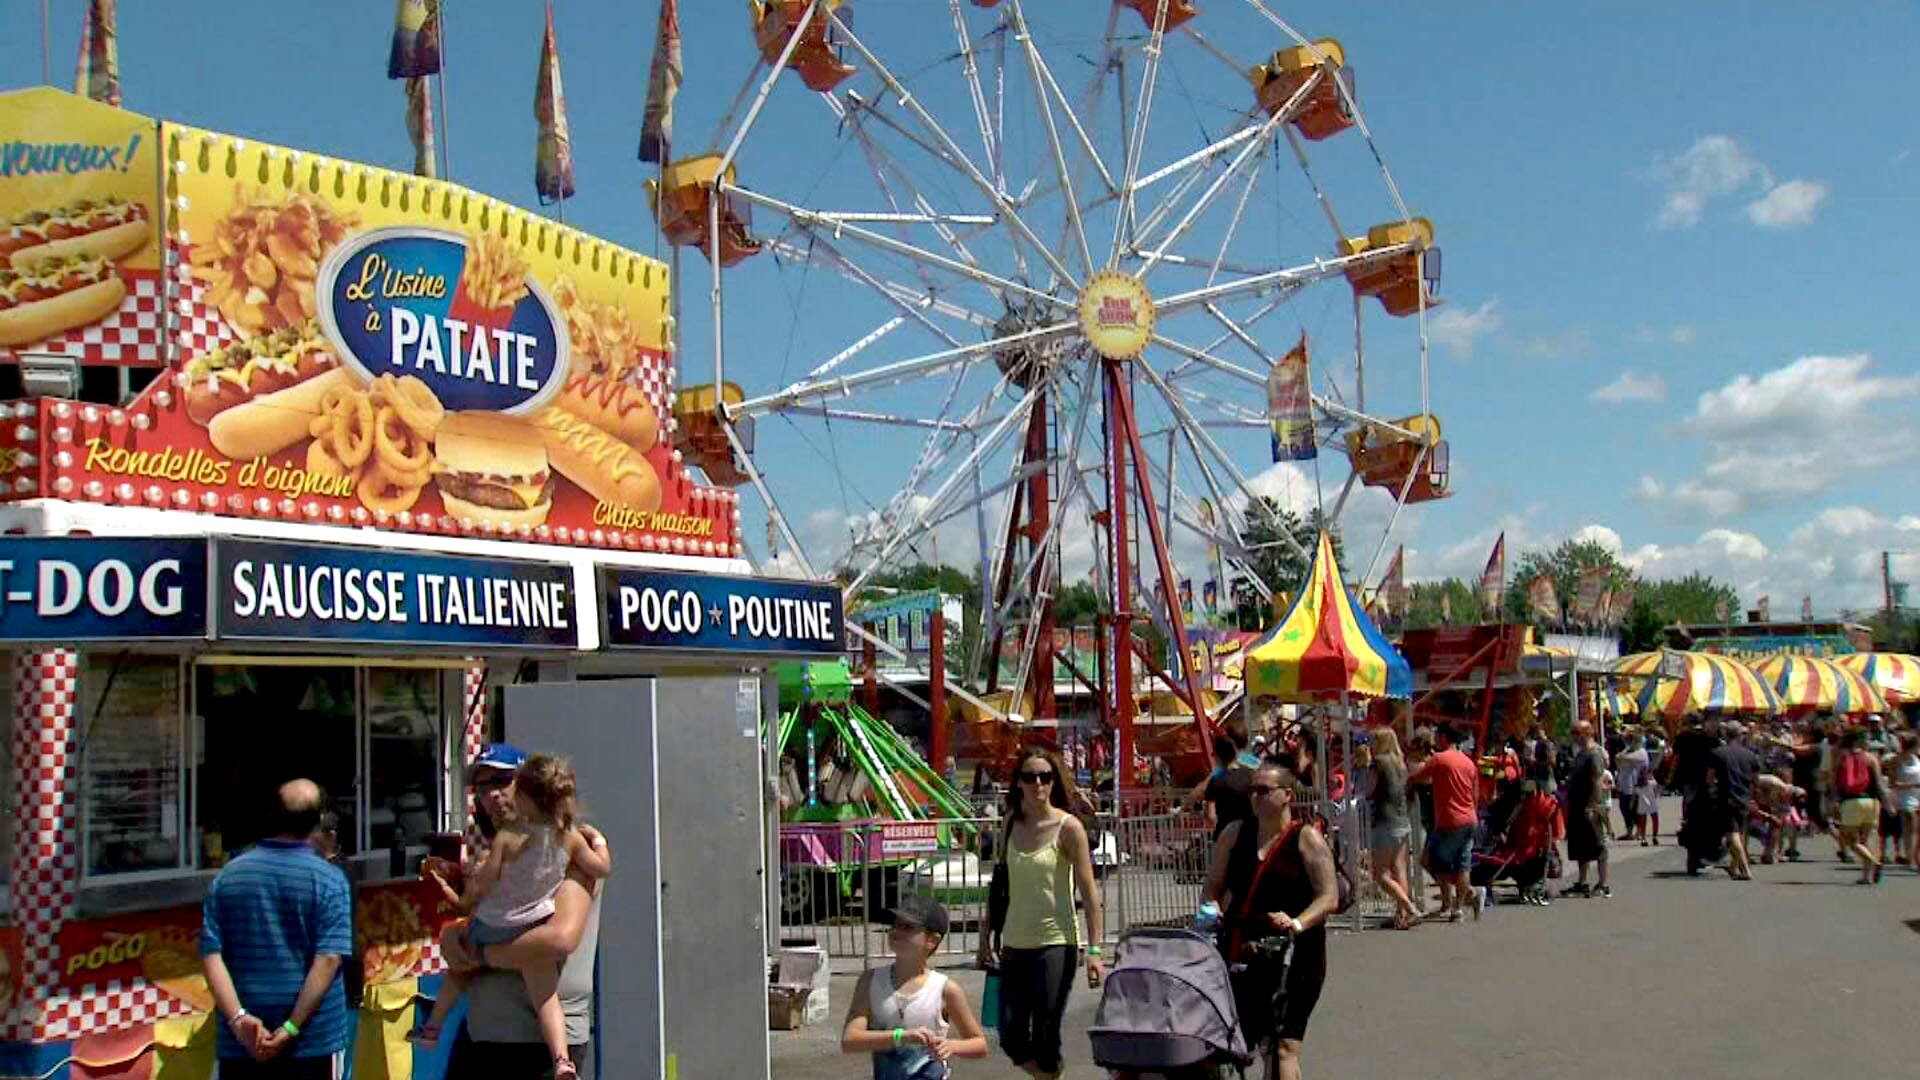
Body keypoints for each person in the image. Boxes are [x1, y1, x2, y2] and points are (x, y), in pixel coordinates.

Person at [417, 754, 610, 1080]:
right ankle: (432, 1026)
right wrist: (453, 934)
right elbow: (486, 916)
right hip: (483, 1034)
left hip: (540, 1048)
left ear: (528, 790)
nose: (492, 795)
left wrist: (482, 955)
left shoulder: (567, 846)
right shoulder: (503, 850)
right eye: (481, 786)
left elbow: (559, 939)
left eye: (502, 781)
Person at [200, 780, 352, 1079]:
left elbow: (210, 954)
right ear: (318, 821)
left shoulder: (228, 876)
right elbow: (328, 959)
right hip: (312, 1043)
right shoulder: (330, 880)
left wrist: (239, 1020)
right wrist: (290, 1028)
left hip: (242, 1046)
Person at [1199, 761, 1337, 1080]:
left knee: (1283, 1046)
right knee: (1219, 1044)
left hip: (1296, 956)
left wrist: (1297, 922)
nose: (1255, 797)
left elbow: (1328, 897)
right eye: (1252, 790)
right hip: (1241, 952)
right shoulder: (1234, 834)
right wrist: (1210, 911)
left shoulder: (1306, 839)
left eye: (1264, 790)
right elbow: (1213, 885)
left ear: (1287, 794)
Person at [983, 749, 1105, 1079]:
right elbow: (1000, 886)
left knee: (1046, 1035)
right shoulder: (1010, 823)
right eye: (1029, 777)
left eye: (1045, 777)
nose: (1037, 783)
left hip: (1056, 943)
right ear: (1018, 783)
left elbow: (1089, 892)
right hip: (1014, 943)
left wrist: (1095, 951)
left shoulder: (1069, 828)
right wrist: (985, 937)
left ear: (1053, 782)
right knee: (1009, 1034)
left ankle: (1050, 1072)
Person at [843, 895, 989, 1078]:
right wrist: (900, 1037)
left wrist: (952, 1045)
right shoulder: (870, 981)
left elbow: (979, 1044)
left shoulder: (945, 989)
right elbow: (850, 1040)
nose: (896, 931)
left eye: (907, 927)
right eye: (895, 924)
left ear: (932, 940)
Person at [1407, 724, 1479, 921]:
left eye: (1437, 736)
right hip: (1469, 818)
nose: (1435, 741)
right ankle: (1458, 908)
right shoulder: (1468, 762)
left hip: (1449, 819)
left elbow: (1418, 778)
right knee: (1463, 865)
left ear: (1444, 737)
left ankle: (1454, 901)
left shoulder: (1439, 759)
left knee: (1435, 862)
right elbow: (1475, 794)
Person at [1361, 730, 1418, 929]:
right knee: (1399, 867)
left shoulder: (1379, 762)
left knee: (1380, 874)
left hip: (1385, 820)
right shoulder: (1401, 763)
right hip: (1402, 819)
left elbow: (1369, 790)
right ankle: (1401, 915)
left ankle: (1409, 908)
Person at [1833, 728, 1891, 884]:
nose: (1869, 741)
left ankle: (1873, 862)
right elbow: (1879, 784)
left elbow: (1835, 783)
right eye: (1867, 738)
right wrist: (1888, 804)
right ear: (1859, 740)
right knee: (1867, 840)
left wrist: (1833, 802)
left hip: (1850, 802)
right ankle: (1866, 877)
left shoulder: (1842, 756)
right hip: (1871, 803)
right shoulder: (1871, 758)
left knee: (1850, 841)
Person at [1563, 721, 1611, 898]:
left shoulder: (1594, 754)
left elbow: (1597, 781)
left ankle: (1603, 884)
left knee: (1597, 844)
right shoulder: (1581, 753)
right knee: (1580, 844)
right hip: (1576, 805)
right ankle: (1582, 882)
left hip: (1589, 806)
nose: (1574, 736)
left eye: (1576, 732)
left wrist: (1592, 806)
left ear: (1586, 733)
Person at [1708, 722, 1761, 881]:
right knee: (1741, 833)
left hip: (1727, 797)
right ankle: (1734, 866)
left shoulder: (1717, 753)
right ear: (1740, 735)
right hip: (1744, 797)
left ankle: (1745, 869)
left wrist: (1713, 789)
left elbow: (1710, 778)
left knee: (1732, 834)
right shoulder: (1750, 755)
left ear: (1725, 734)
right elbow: (1756, 780)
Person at [1194, 734, 1255, 839]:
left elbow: (1210, 815)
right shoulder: (1250, 774)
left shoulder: (1215, 781)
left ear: (1218, 757)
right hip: (1249, 832)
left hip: (1225, 834)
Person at [1890, 732, 1920, 871]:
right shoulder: (1896, 760)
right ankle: (1910, 859)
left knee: (1917, 830)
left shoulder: (1917, 758)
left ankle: (1914, 857)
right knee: (1910, 829)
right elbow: (1893, 783)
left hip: (1918, 796)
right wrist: (1912, 785)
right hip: (1905, 798)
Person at [1614, 733, 1652, 843]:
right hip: (1624, 784)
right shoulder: (1628, 750)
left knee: (1634, 809)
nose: (1628, 742)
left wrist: (1623, 758)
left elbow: (1624, 758)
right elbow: (1617, 758)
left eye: (1630, 740)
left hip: (1634, 785)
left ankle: (1639, 831)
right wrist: (1623, 757)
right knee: (1624, 808)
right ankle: (1629, 831)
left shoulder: (1641, 752)